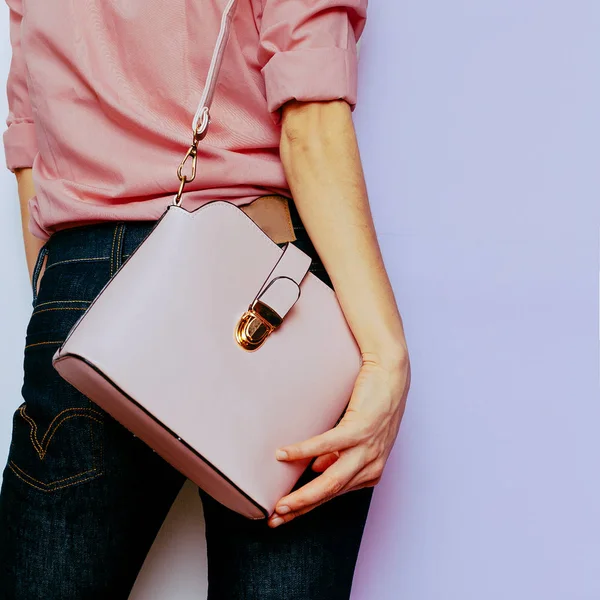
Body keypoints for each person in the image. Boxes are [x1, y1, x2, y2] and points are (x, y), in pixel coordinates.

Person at [0, 0, 411, 598]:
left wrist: (67, 294)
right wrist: (386, 355)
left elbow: (29, 144)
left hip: (80, 279)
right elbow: (311, 124)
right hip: (258, 274)